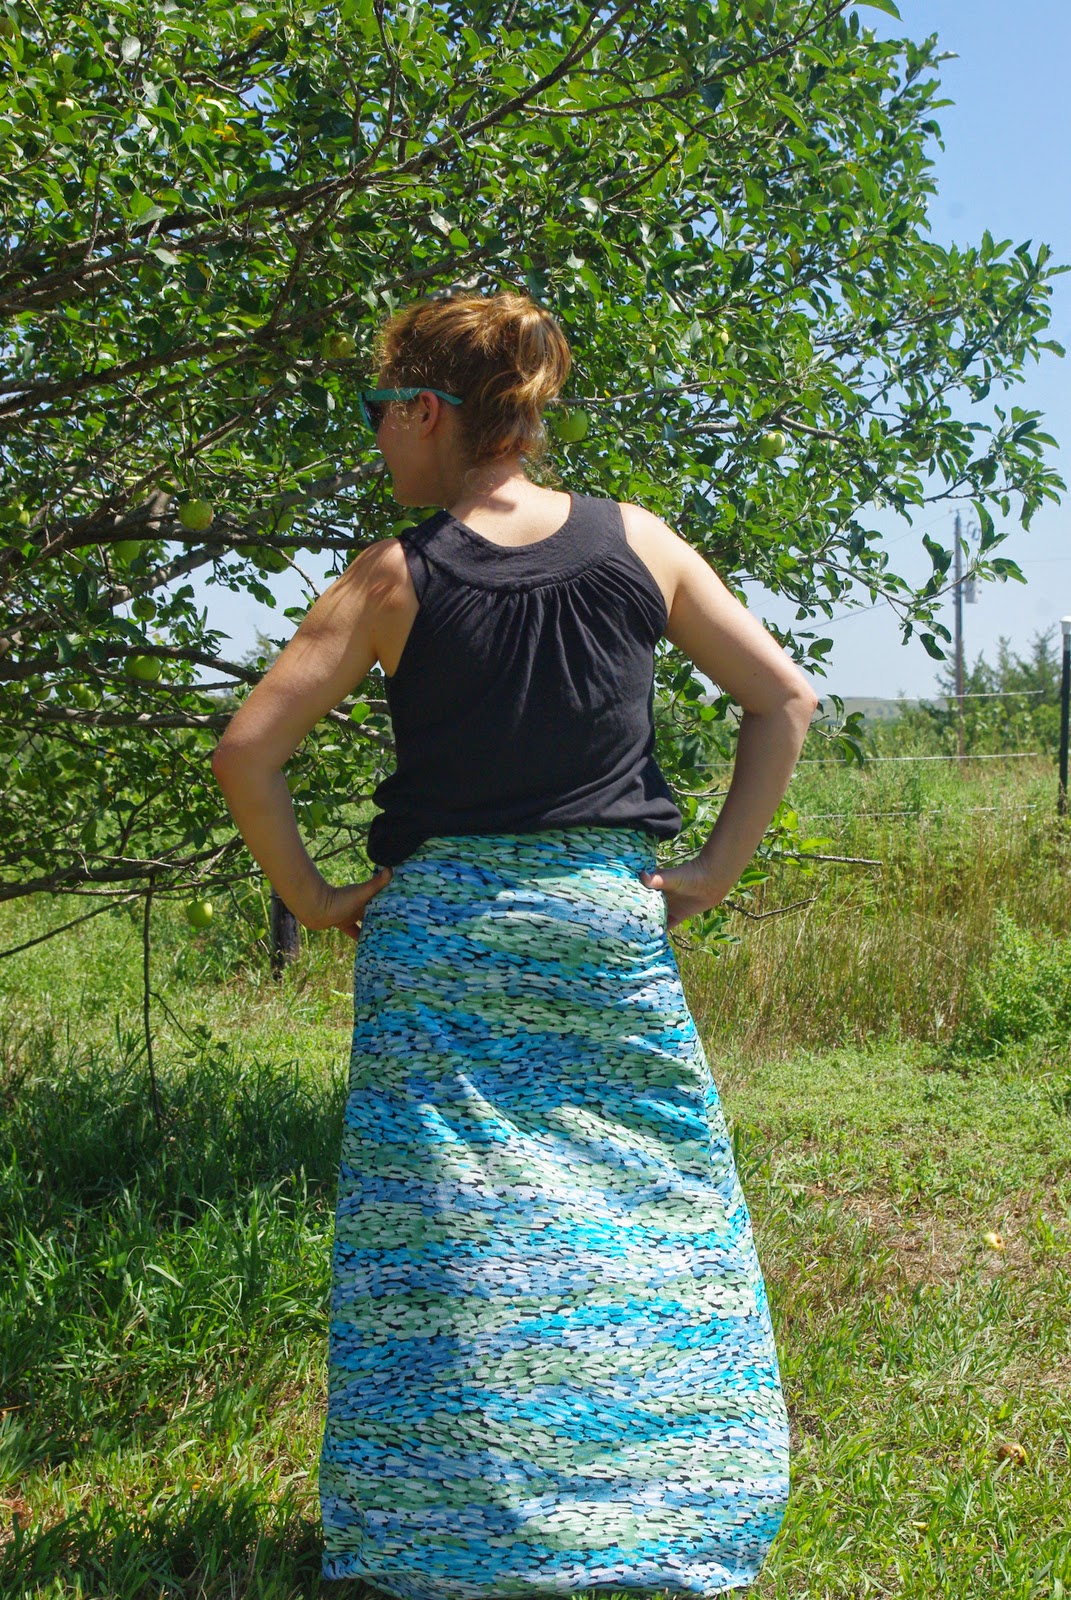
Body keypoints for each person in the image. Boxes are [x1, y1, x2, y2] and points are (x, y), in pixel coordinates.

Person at [211, 288, 819, 1598]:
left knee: (451, 1241)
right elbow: (783, 697)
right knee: (653, 1217)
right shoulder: (638, 544)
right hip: (604, 926)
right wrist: (711, 872)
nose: (377, 434)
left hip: (445, 940)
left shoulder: (394, 576)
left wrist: (314, 900)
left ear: (431, 412)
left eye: (381, 409)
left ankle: (452, 1535)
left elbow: (247, 751)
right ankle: (670, 1513)